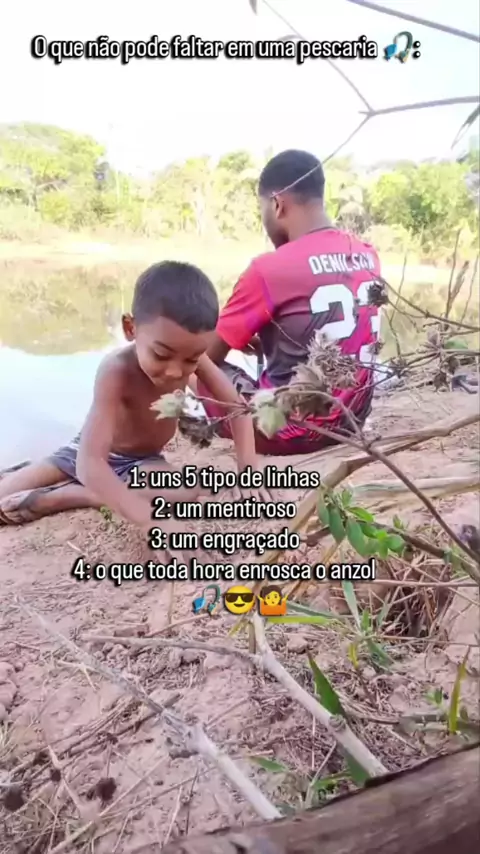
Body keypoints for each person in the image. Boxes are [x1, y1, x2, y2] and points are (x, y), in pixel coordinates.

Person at [0, 261, 266, 536]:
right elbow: (90, 462)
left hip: (141, 462)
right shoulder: (115, 370)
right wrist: (149, 519)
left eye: (191, 359)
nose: (175, 371)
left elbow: (237, 407)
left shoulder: (194, 358)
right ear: (131, 328)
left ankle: (74, 496)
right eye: (161, 355)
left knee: (185, 491)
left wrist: (248, 470)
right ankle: (72, 486)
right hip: (82, 456)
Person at [199, 149, 382, 455]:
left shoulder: (269, 269)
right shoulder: (367, 254)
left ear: (277, 204)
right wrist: (265, 340)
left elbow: (204, 355)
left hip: (290, 432)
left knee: (189, 362)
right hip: (351, 424)